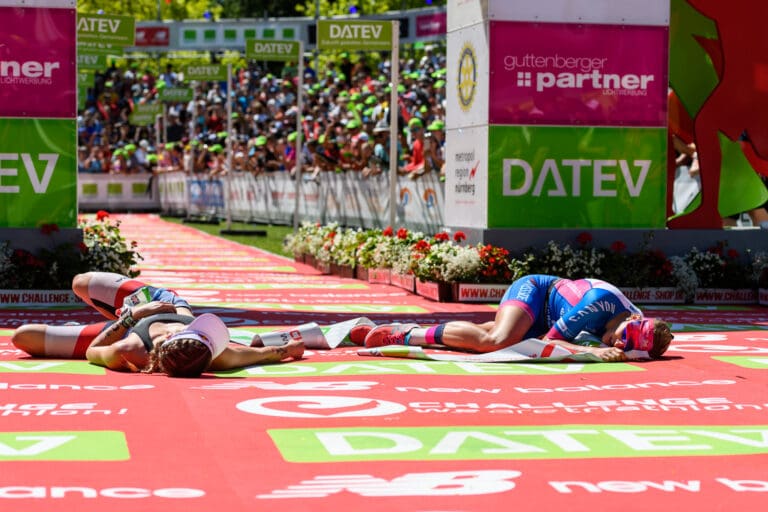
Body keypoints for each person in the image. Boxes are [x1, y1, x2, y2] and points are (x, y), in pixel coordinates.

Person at [11, 272, 304, 377]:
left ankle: (115, 314)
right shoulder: (219, 356)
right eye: (195, 331)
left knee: (23, 337)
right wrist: (290, 349)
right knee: (80, 282)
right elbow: (266, 354)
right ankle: (117, 310)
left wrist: (130, 317)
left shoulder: (128, 350)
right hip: (169, 302)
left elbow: (94, 352)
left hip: (126, 325)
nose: (177, 329)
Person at [359, 274, 674, 362]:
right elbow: (549, 342)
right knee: (497, 340)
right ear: (631, 316)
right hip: (536, 291)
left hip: (549, 313)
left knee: (478, 336)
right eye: (626, 333)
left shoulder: (637, 324)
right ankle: (405, 336)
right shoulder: (599, 303)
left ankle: (398, 330)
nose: (621, 342)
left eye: (630, 346)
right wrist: (591, 351)